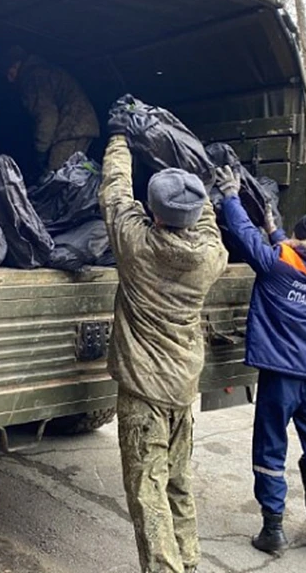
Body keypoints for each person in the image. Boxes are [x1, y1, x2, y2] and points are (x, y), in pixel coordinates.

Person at [100, 115, 228, 573]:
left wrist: (119, 138)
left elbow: (115, 193)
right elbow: (209, 223)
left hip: (143, 395)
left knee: (146, 493)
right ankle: (188, 561)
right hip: (181, 390)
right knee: (177, 482)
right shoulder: (209, 259)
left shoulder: (137, 245)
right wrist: (200, 179)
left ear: (153, 212)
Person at [215, 165, 306, 559]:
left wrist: (230, 197)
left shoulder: (276, 266)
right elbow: (290, 255)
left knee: (271, 446)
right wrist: (274, 228)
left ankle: (273, 528)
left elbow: (243, 236)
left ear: (300, 241)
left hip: (280, 375)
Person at [1, 46, 99, 172]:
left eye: (11, 72)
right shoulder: (44, 71)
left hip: (72, 129)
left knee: (56, 176)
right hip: (81, 126)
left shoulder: (32, 78)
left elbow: (47, 117)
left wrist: (40, 150)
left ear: (18, 64)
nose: (10, 80)